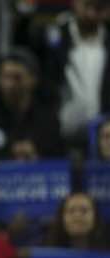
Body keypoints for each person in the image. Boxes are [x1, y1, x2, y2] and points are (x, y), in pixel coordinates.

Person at [34, 0, 110, 150]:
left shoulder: (108, 41)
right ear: (75, 3)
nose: (92, 13)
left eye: (99, 7)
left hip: (105, 136)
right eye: (88, 5)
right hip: (58, 136)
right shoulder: (52, 39)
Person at [0, 49, 64, 160]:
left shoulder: (48, 118)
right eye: (5, 77)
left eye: (17, 77)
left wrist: (36, 154)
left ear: (33, 80)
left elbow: (58, 158)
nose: (10, 84)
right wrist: (8, 152)